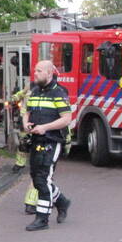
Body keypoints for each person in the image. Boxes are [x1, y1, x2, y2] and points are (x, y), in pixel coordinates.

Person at [23, 60, 74, 231]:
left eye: (38, 71)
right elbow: (27, 112)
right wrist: (26, 124)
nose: (35, 73)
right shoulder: (35, 91)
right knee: (37, 178)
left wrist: (45, 127)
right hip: (36, 141)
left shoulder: (59, 93)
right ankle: (62, 201)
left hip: (52, 141)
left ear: (49, 73)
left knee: (43, 179)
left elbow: (66, 119)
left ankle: (42, 219)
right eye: (34, 70)